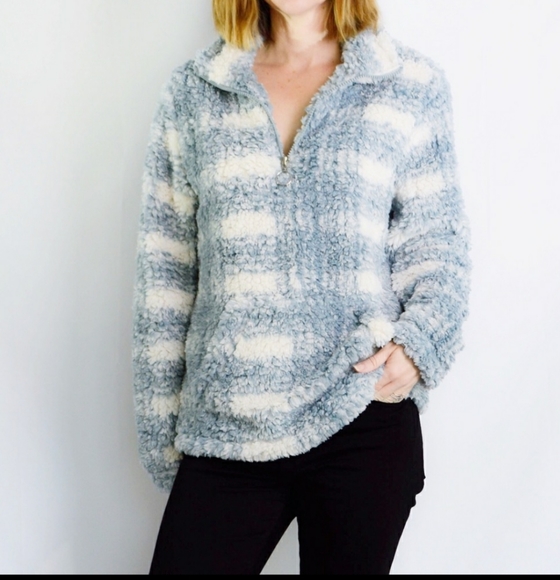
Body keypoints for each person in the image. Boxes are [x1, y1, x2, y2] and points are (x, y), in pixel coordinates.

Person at [131, 0, 471, 574]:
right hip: (227, 425)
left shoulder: (407, 82)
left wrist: (417, 348)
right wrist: (163, 429)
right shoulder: (196, 91)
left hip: (359, 414)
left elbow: (437, 244)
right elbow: (166, 272)